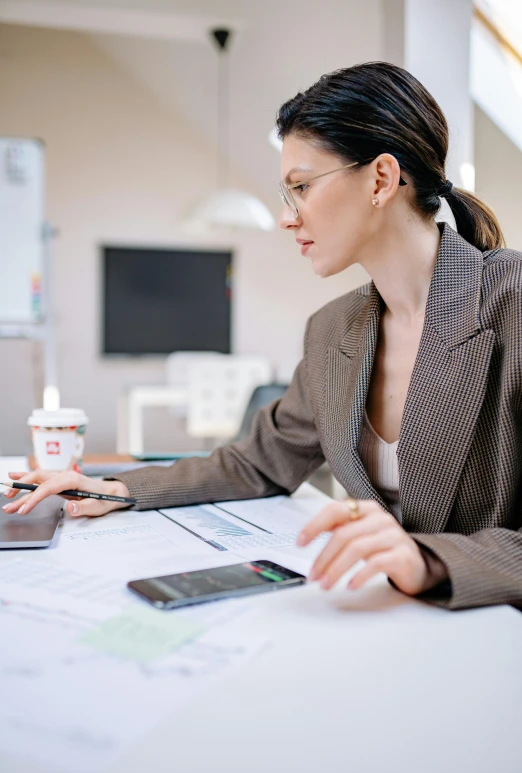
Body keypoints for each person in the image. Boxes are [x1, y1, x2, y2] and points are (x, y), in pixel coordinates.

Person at [3, 62, 521, 610]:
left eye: (300, 187)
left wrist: (429, 561)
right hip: (391, 621)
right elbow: (257, 462)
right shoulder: (332, 332)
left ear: (381, 179)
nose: (285, 217)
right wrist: (123, 488)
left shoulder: (511, 303)